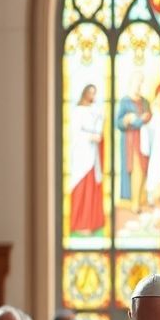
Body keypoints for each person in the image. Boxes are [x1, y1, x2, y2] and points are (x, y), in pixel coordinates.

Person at [67, 83, 106, 235]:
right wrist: (91, 136)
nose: (92, 96)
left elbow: (98, 126)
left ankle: (92, 222)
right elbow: (75, 133)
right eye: (90, 92)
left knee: (92, 187)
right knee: (82, 186)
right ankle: (80, 223)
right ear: (84, 93)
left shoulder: (94, 110)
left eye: (94, 93)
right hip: (81, 154)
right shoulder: (77, 111)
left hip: (92, 153)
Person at [116, 71, 152, 213]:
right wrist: (126, 120)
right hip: (130, 142)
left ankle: (141, 198)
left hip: (144, 140)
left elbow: (148, 117)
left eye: (141, 82)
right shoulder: (124, 101)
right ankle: (134, 202)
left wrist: (138, 119)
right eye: (137, 81)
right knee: (134, 168)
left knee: (144, 169)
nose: (139, 85)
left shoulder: (145, 101)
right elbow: (118, 122)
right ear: (131, 82)